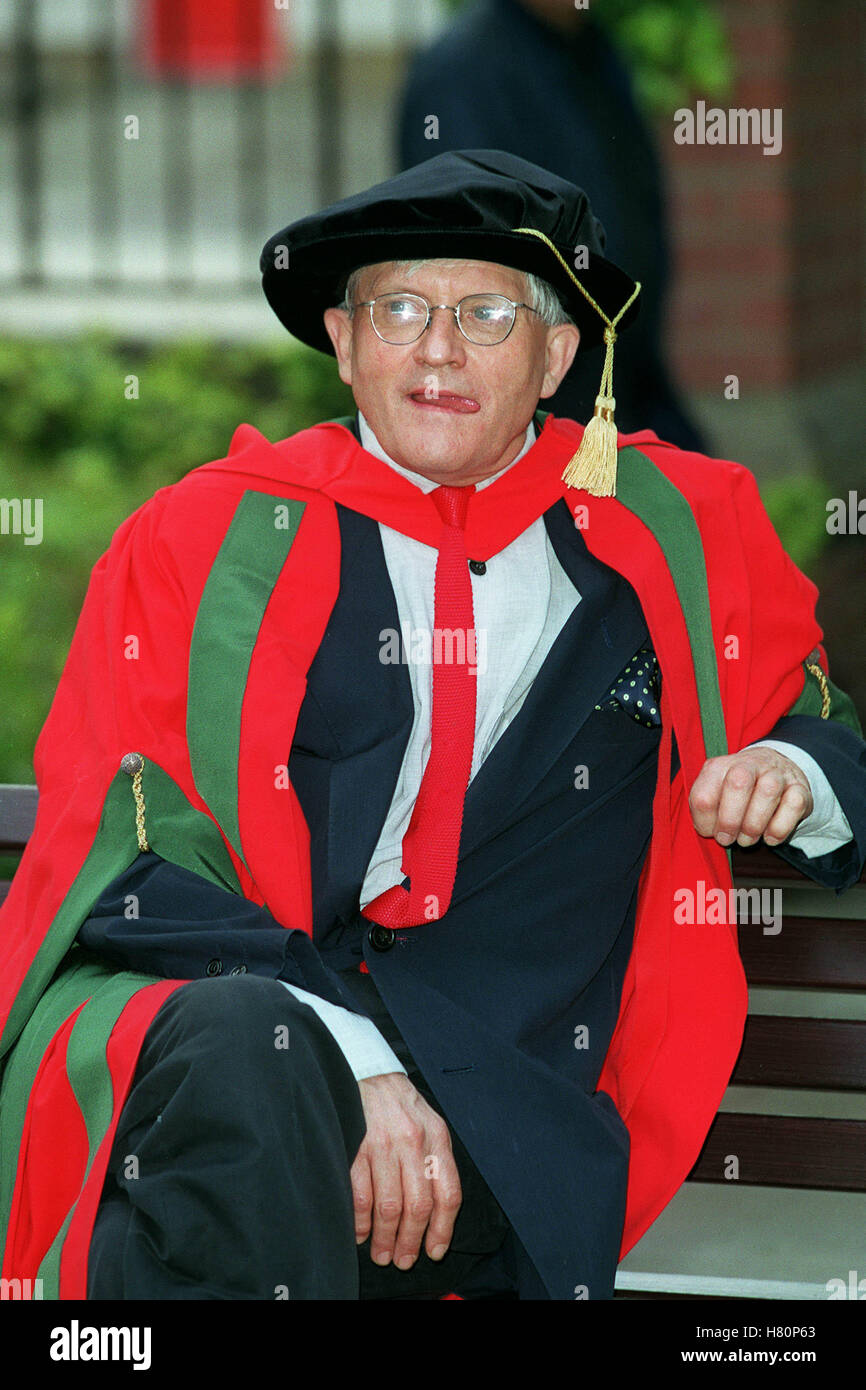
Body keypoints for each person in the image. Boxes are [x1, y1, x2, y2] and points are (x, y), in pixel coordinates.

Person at [0, 149, 864, 1302]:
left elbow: (818, 725)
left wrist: (786, 772)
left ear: (558, 355)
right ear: (344, 342)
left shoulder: (672, 538)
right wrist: (342, 1056)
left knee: (150, 1255)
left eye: (485, 313)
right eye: (397, 307)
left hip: (497, 1113)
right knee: (249, 1063)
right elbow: (124, 852)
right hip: (229, 1035)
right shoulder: (199, 546)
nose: (438, 348)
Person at [397, 0, 706, 450]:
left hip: (626, 386)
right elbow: (468, 262)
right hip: (540, 416)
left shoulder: (594, 50)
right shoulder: (463, 73)